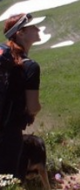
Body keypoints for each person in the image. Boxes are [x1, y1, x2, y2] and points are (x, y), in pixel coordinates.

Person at [0, 13, 44, 181]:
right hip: (9, 133)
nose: (38, 29)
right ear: (20, 33)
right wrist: (35, 110)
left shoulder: (2, 58)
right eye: (33, 27)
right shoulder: (30, 67)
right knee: (7, 181)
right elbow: (33, 107)